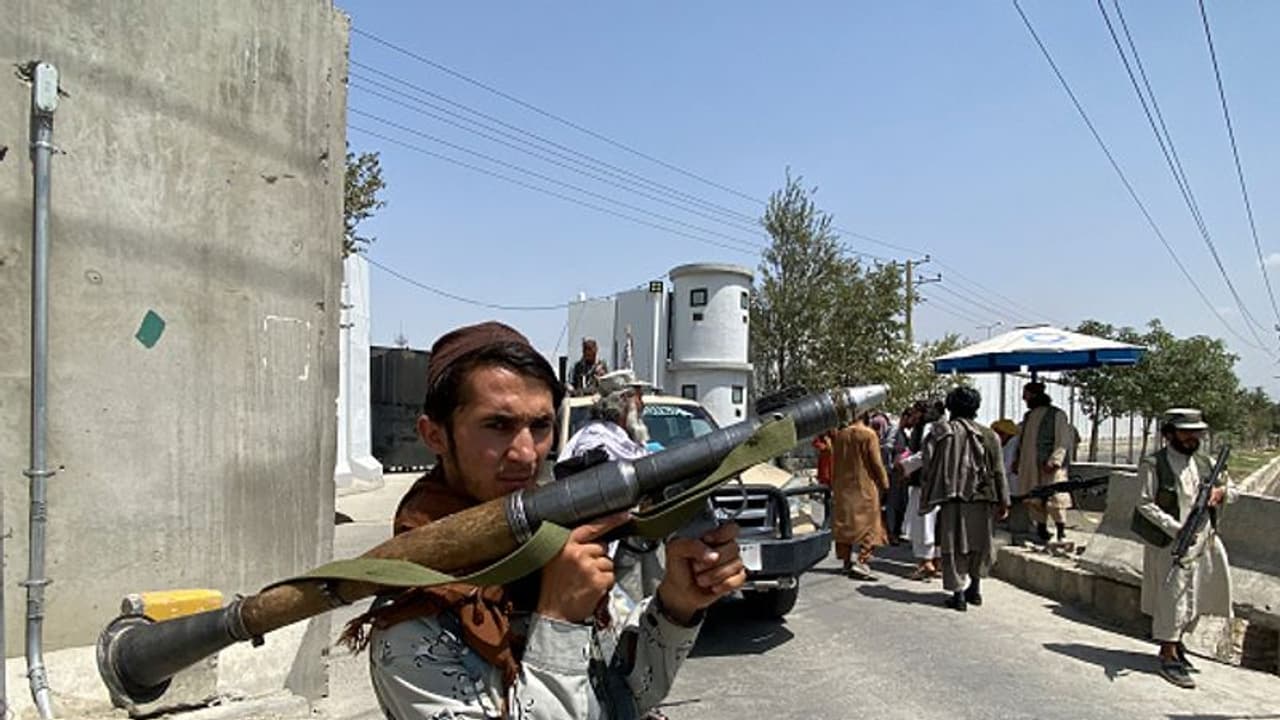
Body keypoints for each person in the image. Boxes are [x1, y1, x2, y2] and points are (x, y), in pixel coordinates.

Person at [353, 321, 745, 719]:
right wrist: (558, 620)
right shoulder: (412, 623)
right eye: (498, 425)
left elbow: (628, 694)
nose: (526, 454)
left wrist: (677, 603)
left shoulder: (551, 546)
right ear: (434, 435)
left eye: (540, 426)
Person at [1132, 408, 1236, 690]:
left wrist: (1220, 492)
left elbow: (1233, 490)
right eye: (1185, 432)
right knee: (1172, 597)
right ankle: (1168, 654)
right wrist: (1176, 529)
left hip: (1204, 540)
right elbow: (1144, 503)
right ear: (1169, 434)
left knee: (1199, 594)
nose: (1192, 438)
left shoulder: (1206, 462)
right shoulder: (1154, 464)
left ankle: (1178, 645)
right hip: (1171, 541)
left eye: (1196, 433)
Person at [560, 369, 664, 606]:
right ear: (625, 401)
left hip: (640, 548)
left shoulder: (626, 441)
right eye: (639, 397)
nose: (643, 404)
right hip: (611, 552)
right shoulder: (595, 442)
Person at [920, 387, 1011, 612]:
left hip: (953, 498)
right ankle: (975, 589)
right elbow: (999, 471)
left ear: (951, 406)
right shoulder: (990, 435)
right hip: (983, 497)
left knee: (954, 546)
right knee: (980, 544)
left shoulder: (941, 432)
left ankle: (958, 594)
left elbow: (927, 461)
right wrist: (1004, 501)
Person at [831, 413, 891, 580]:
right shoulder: (868, 434)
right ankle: (862, 560)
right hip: (865, 487)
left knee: (845, 524)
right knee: (871, 526)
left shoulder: (840, 435)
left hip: (843, 487)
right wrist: (885, 483)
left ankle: (846, 562)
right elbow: (876, 463)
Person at [1015, 381, 1073, 544]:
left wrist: (1054, 460)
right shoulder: (1028, 416)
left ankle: (1061, 531)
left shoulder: (1057, 415)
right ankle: (1041, 530)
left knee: (1055, 498)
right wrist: (1017, 460)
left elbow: (1062, 440)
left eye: (1027, 396)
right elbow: (1022, 441)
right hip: (1030, 465)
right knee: (1034, 498)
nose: (1024, 399)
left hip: (1049, 466)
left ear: (1036, 395)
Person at [991, 418, 1021, 500]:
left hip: (1013, 487)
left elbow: (1007, 465)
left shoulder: (1013, 443)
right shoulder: (1007, 444)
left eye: (1001, 433)